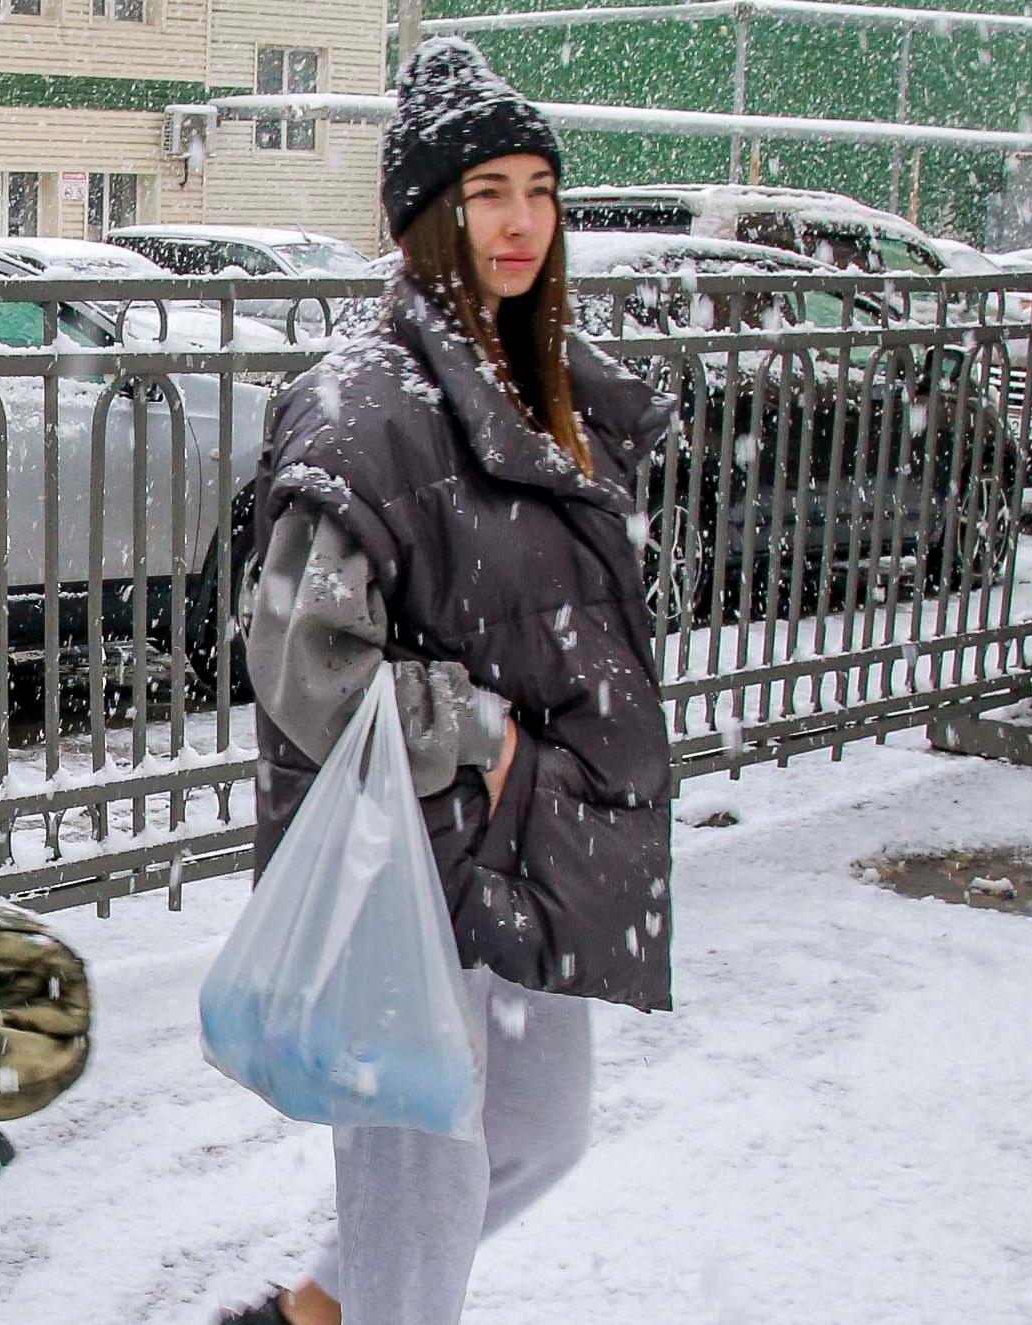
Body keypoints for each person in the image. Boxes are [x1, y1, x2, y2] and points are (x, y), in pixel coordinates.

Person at [218, 39, 676, 1325]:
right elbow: (304, 663)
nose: (521, 219)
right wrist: (484, 736)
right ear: (431, 216)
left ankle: (312, 1315)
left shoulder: (552, 396)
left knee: (541, 1131)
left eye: (539, 187)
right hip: (405, 861)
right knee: (421, 1190)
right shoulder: (366, 405)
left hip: (524, 847)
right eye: (487, 192)